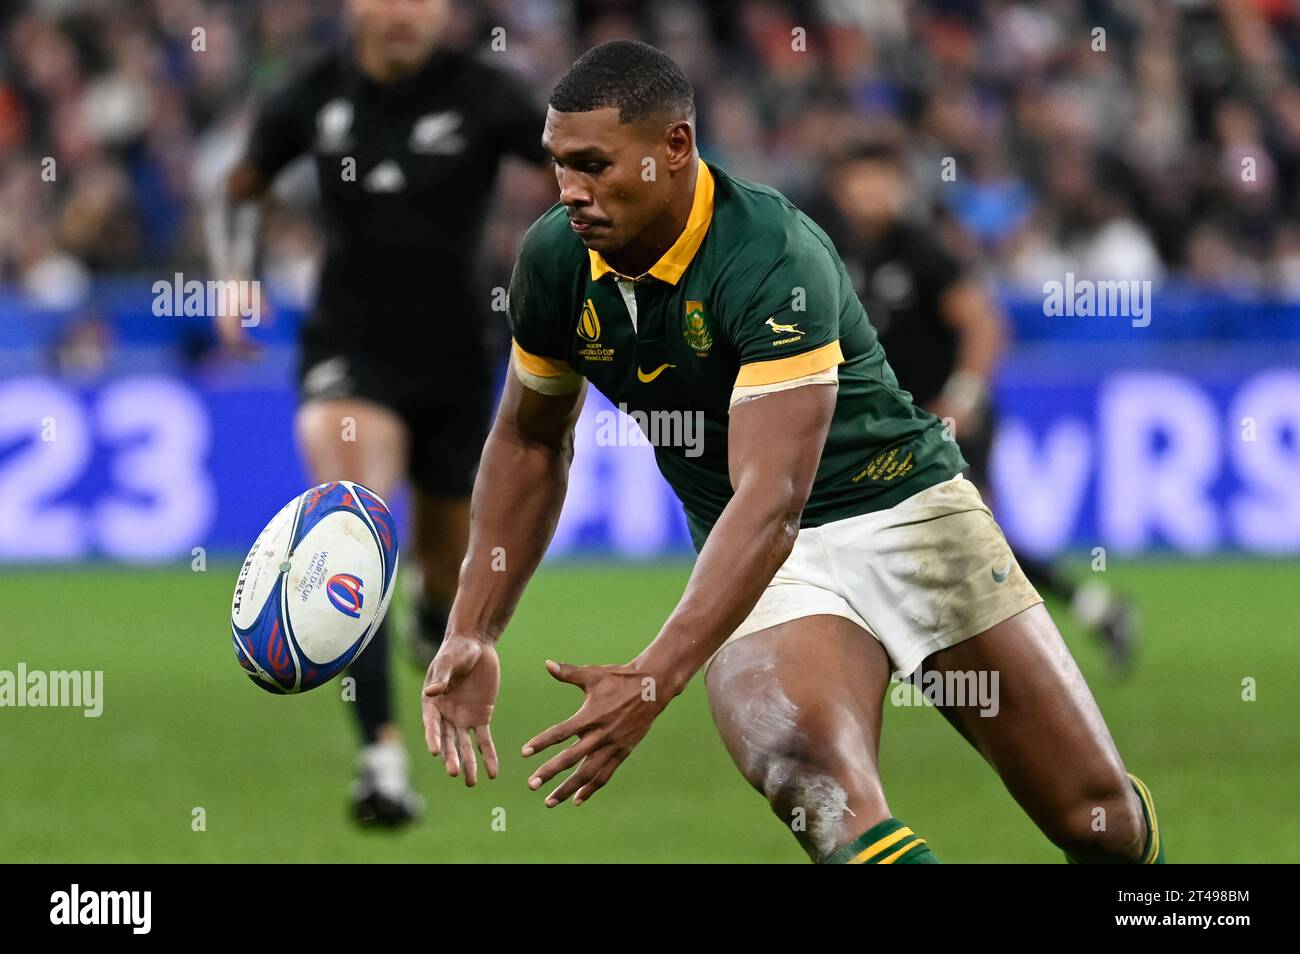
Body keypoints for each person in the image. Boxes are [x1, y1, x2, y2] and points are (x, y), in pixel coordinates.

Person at [420, 40, 1164, 864]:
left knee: (1098, 823)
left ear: (675, 148)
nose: (570, 193)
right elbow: (528, 439)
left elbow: (774, 494)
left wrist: (652, 677)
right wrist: (474, 629)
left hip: (905, 511)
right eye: (559, 165)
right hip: (768, 562)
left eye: (593, 165)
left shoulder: (772, 255)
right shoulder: (554, 261)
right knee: (813, 782)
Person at [206, 0, 549, 826]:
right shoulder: (312, 92)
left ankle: (430, 620)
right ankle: (382, 760)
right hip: (350, 350)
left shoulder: (486, 93)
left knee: (442, 565)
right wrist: (231, 275)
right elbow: (240, 187)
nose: (405, 11)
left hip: (460, 363)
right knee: (350, 529)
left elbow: (573, 165)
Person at [822, 140, 1139, 673]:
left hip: (949, 418)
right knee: (960, 542)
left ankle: (1014, 659)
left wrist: (965, 395)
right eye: (860, 181)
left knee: (973, 539)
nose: (871, 193)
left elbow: (986, 323)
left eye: (881, 180)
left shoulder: (922, 251)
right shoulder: (835, 253)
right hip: (893, 427)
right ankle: (1090, 610)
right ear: (841, 189)